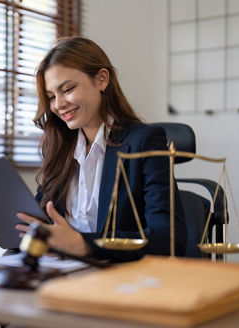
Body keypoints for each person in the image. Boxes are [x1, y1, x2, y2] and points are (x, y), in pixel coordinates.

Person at [15, 37, 187, 262]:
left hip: (120, 278)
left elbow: (169, 239)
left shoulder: (144, 141)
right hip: (62, 271)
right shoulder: (60, 148)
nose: (58, 104)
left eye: (67, 89)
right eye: (51, 97)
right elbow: (46, 221)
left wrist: (83, 244)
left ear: (101, 80)